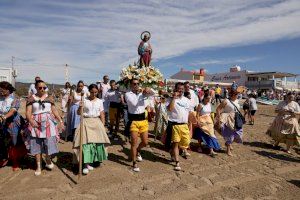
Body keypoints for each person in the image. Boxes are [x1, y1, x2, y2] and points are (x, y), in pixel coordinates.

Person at [26, 80, 64, 176]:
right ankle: (39, 166)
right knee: (36, 145)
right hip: (35, 123)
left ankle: (47, 158)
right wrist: (31, 121)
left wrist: (60, 120)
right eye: (40, 87)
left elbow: (54, 110)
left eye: (44, 87)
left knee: (49, 143)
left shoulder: (49, 98)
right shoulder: (31, 98)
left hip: (48, 123)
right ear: (36, 88)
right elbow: (28, 113)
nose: (42, 89)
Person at [73, 84, 110, 175]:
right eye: (92, 92)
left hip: (97, 123)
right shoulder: (84, 100)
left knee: (96, 144)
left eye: (96, 92)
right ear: (89, 91)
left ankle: (92, 161)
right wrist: (80, 107)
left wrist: (103, 125)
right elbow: (78, 113)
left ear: (98, 92)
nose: (94, 94)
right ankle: (85, 164)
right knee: (86, 144)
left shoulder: (100, 101)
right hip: (86, 122)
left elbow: (102, 113)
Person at [125, 78, 154, 172]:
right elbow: (134, 104)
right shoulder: (128, 94)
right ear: (131, 85)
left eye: (137, 83)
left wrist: (148, 90)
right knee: (134, 142)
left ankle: (137, 151)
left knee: (145, 142)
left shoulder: (143, 93)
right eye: (134, 84)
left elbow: (153, 93)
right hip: (133, 121)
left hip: (143, 120)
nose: (136, 85)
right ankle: (134, 163)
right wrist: (143, 94)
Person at [0, 81, 27, 170]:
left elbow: (12, 111)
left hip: (13, 123)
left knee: (15, 142)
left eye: (3, 89)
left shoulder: (15, 99)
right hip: (2, 123)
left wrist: (4, 117)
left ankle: (16, 161)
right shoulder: (0, 99)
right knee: (4, 141)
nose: (1, 91)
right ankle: (5, 158)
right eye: (0, 89)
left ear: (8, 90)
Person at [166, 82, 192, 171]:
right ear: (175, 89)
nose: (180, 91)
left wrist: (191, 123)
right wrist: (174, 98)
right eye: (178, 89)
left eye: (182, 89)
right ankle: (177, 162)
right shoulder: (170, 99)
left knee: (186, 143)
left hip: (184, 125)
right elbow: (169, 109)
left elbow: (189, 113)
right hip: (174, 125)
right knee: (175, 143)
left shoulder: (187, 100)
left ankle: (172, 151)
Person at [216, 89, 243, 156]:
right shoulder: (226, 101)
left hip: (236, 118)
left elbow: (237, 109)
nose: (237, 95)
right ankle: (228, 150)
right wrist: (219, 118)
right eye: (236, 94)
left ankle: (228, 144)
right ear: (232, 94)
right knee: (229, 134)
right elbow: (218, 109)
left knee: (238, 133)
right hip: (227, 119)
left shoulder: (237, 101)